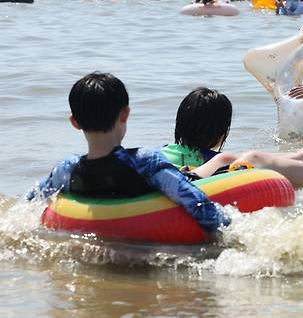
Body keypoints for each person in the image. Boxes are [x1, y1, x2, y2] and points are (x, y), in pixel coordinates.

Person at [25, 72, 229, 238]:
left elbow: (32, 200)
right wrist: (227, 229)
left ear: (75, 122)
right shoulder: (145, 162)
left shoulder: (66, 169)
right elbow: (195, 202)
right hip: (147, 241)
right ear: (125, 114)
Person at [161, 88, 303, 197]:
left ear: (180, 124)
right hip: (186, 183)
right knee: (246, 158)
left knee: (236, 159)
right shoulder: (212, 159)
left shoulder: (164, 150)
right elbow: (268, 159)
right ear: (221, 133)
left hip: (172, 180)